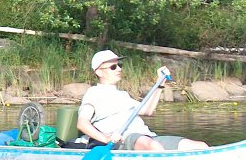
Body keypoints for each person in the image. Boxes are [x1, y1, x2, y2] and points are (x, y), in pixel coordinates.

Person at [77, 50, 208, 151]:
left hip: (147, 137)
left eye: (119, 65)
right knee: (151, 145)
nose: (119, 69)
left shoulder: (123, 95)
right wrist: (106, 139)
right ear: (99, 72)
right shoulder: (93, 93)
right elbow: (82, 123)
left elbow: (147, 110)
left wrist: (160, 83)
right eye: (113, 67)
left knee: (199, 146)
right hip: (124, 142)